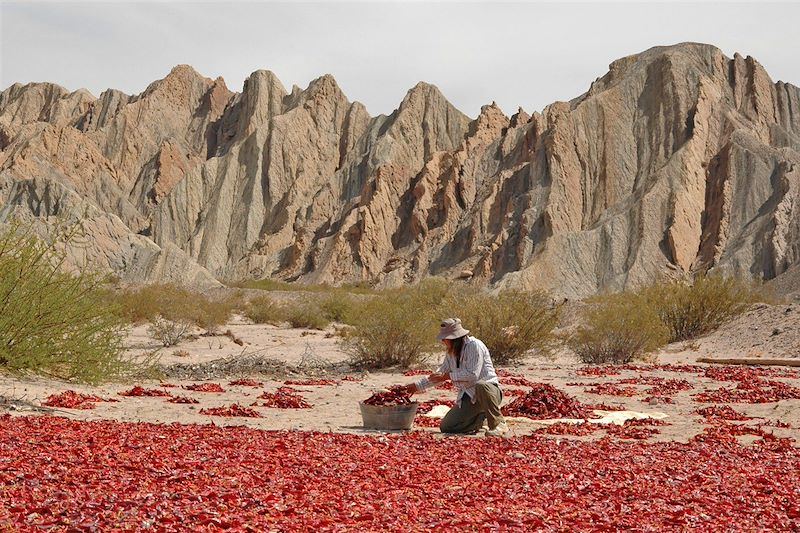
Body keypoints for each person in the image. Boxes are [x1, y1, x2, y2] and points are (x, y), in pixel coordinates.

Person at [403, 318, 509, 436]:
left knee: (481, 385)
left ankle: (498, 423)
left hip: (488, 392)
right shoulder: (451, 353)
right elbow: (439, 374)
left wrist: (447, 376)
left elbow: (473, 375)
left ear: (455, 339)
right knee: (448, 426)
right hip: (469, 395)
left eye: (445, 338)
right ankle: (481, 419)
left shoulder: (474, 346)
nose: (443, 341)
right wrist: (416, 386)